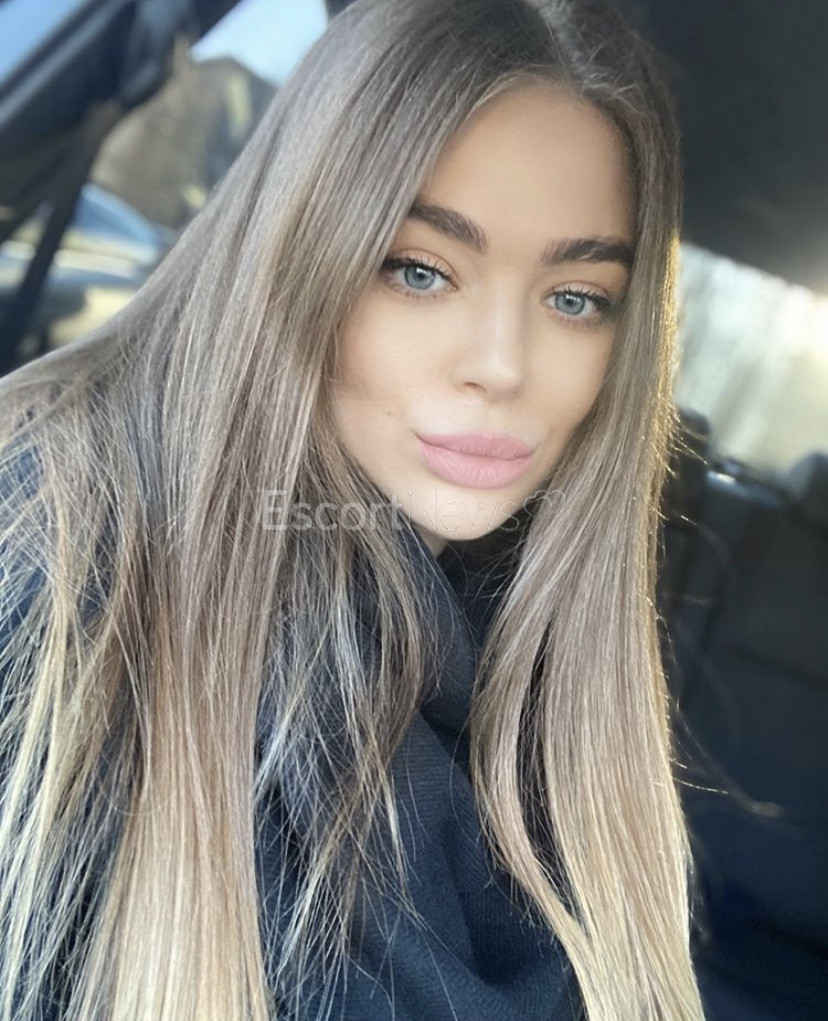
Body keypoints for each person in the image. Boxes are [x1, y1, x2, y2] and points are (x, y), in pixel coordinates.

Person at [0, 0, 705, 1019]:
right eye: (420, 270)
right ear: (300, 249)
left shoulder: (559, 681)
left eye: (574, 298)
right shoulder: (59, 549)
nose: (502, 365)